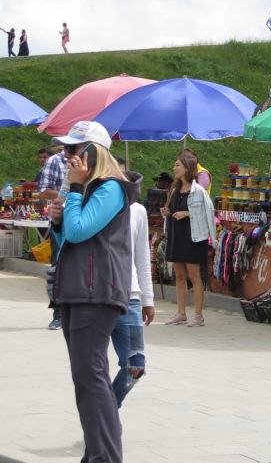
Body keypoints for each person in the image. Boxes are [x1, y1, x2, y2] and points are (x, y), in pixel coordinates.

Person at [49, 120, 135, 463]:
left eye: (73, 149)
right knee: (85, 378)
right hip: (78, 290)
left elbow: (81, 231)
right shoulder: (87, 188)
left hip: (96, 291)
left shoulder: (110, 188)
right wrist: (58, 221)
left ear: (92, 152)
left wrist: (71, 192)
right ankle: (98, 454)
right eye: (65, 149)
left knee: (92, 377)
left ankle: (105, 457)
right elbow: (68, 239)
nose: (66, 155)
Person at [112, 156, 152, 407]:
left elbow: (142, 256)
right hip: (96, 300)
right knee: (91, 370)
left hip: (131, 300)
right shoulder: (90, 207)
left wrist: (148, 299)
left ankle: (107, 410)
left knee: (136, 364)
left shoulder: (137, 210)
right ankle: (101, 423)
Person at [160, 150, 216, 327]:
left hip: (193, 236)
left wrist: (187, 213)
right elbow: (172, 210)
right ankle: (181, 313)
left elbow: (208, 214)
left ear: (187, 167)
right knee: (179, 276)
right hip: (177, 234)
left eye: (177, 165)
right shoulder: (175, 190)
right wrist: (167, 213)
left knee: (194, 276)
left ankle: (198, 315)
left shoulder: (198, 191)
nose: (174, 168)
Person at [38, 146, 70, 330]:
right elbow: (44, 191)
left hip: (88, 219)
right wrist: (70, 196)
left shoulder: (96, 160)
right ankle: (58, 312)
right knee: (58, 266)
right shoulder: (55, 161)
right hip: (62, 221)